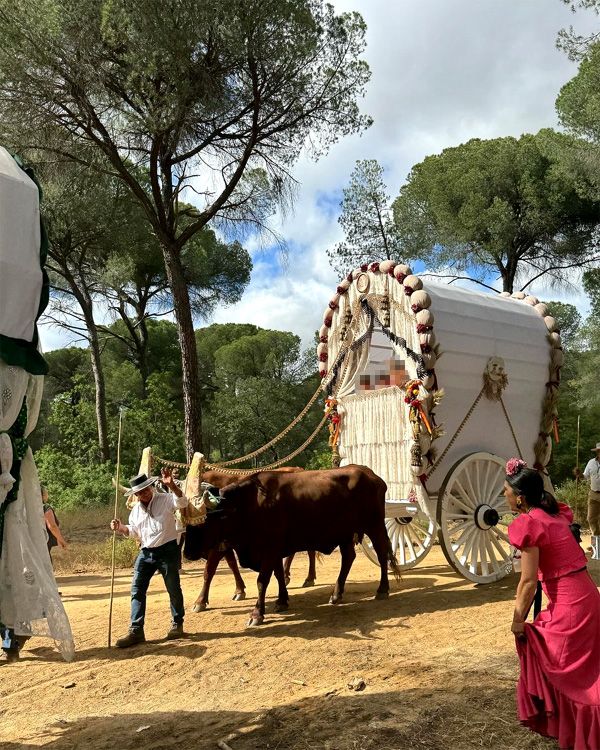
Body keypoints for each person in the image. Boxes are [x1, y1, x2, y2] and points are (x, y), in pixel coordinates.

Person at [504, 458, 600, 749]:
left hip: (572, 606)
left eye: (506, 491)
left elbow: (529, 581)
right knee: (589, 670)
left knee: (576, 678)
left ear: (519, 498)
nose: (504, 495)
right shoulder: (556, 515)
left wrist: (517, 618)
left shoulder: (530, 524)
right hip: (588, 596)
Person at [110, 467, 188, 648]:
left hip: (168, 550)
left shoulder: (166, 499)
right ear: (135, 495)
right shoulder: (136, 511)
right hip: (146, 553)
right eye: (140, 492)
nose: (144, 494)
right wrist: (121, 528)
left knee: (173, 587)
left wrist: (173, 486)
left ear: (152, 487)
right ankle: (136, 630)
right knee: (137, 590)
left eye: (146, 489)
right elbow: (133, 532)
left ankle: (177, 623)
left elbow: (182, 502)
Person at [41, 486, 67, 563]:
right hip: (43, 543)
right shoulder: (45, 507)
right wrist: (61, 540)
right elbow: (52, 526)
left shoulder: (25, 509)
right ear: (43, 495)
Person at [583, 442, 600, 537]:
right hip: (593, 493)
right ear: (597, 452)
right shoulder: (591, 462)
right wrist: (579, 475)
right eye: (599, 451)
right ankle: (596, 538)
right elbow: (585, 476)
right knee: (591, 518)